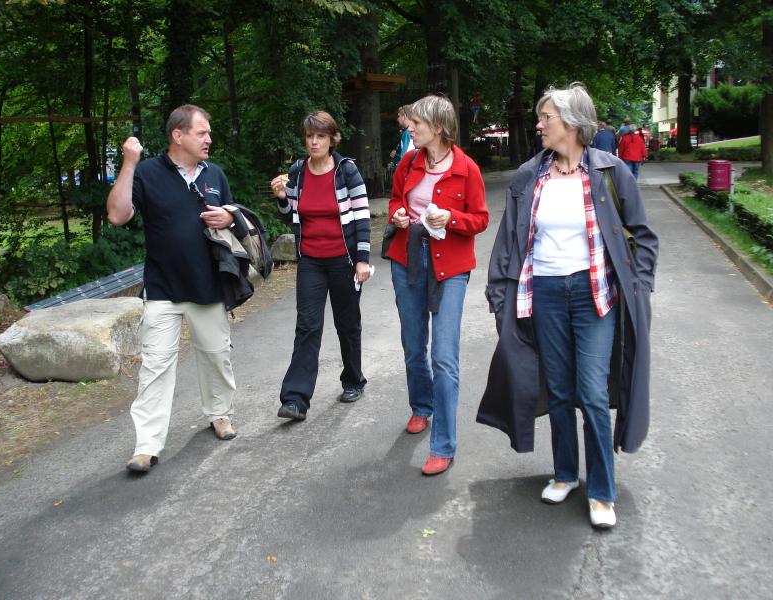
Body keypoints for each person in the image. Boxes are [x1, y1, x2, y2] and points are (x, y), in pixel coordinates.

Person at [477, 84, 658, 528]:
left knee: (592, 393)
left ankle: (602, 490)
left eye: (547, 118)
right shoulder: (529, 176)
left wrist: (639, 287)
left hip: (595, 295)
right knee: (558, 388)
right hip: (545, 293)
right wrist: (499, 293)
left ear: (573, 123)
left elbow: (643, 237)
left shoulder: (612, 172)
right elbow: (509, 241)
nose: (539, 124)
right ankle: (564, 473)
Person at [107, 104, 240, 473]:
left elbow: (233, 222)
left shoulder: (215, 174)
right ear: (178, 135)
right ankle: (146, 446)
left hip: (208, 285)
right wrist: (129, 164)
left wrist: (229, 216)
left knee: (217, 356)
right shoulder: (147, 172)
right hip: (163, 288)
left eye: (208, 132)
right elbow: (117, 215)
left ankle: (219, 414)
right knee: (155, 367)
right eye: (202, 132)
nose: (209, 138)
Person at [386, 95, 489, 476]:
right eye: (411, 122)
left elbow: (480, 219)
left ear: (439, 127)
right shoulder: (409, 161)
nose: (410, 128)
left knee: (444, 357)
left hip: (450, 266)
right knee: (414, 345)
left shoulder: (467, 169)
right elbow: (396, 199)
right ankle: (421, 406)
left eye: (417, 123)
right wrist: (398, 214)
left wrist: (451, 218)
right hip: (408, 259)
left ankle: (443, 444)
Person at [271, 111, 371, 422]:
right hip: (311, 261)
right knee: (307, 326)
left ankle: (353, 380)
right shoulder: (297, 172)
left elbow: (362, 215)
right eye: (310, 136)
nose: (314, 142)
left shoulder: (346, 170)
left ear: (332, 139)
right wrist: (281, 198)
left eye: (321, 136)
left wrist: (363, 260)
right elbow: (290, 215)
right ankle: (296, 399)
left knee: (347, 323)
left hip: (344, 259)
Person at [390, 105, 415, 169]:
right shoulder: (405, 132)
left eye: (399, 116)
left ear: (405, 116)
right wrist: (397, 153)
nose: (397, 119)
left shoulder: (408, 133)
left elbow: (405, 156)